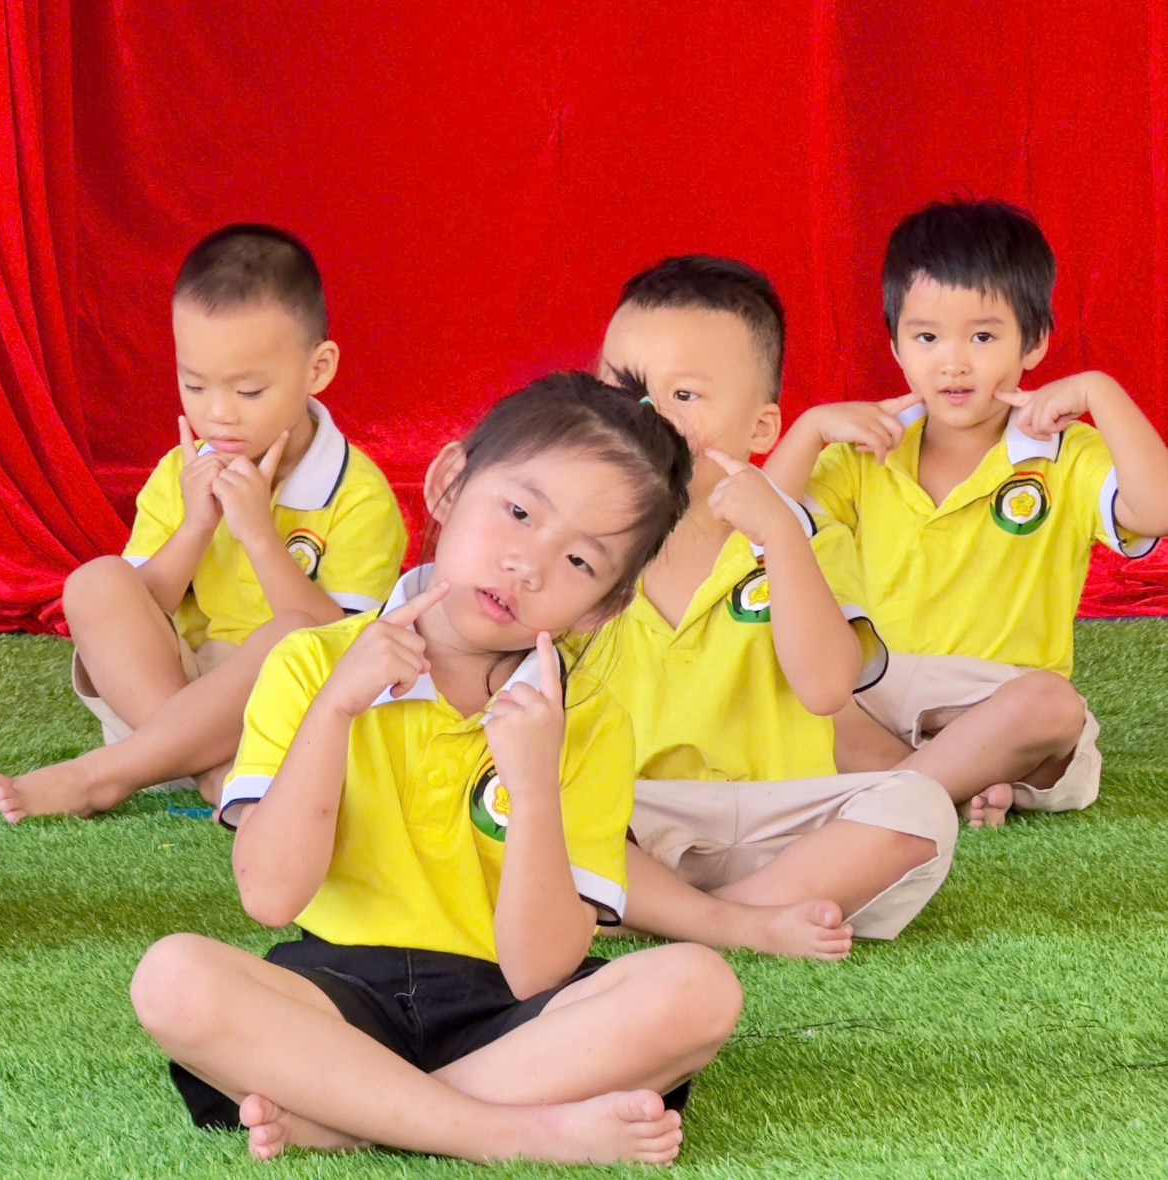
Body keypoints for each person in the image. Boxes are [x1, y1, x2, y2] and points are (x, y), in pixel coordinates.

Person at [131, 374, 742, 1167]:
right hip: (334, 999)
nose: (527, 565)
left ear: (604, 607)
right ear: (449, 484)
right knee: (173, 977)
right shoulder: (311, 664)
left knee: (700, 989)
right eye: (518, 513)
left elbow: (539, 969)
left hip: (510, 1019)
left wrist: (534, 788)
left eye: (579, 561)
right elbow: (271, 898)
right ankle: (506, 1134)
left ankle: (355, 1116)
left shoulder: (585, 721)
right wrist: (335, 711)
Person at [595, 256, 957, 956]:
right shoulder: (577, 541)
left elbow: (825, 689)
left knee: (919, 808)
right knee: (522, 805)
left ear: (762, 429)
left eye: (686, 395)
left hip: (783, 821)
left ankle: (666, 916)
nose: (650, 417)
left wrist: (781, 538)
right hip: (633, 816)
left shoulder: (808, 535)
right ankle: (742, 921)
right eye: (627, 389)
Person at [765, 199, 1168, 827]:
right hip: (887, 693)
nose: (952, 362)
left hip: (1003, 699)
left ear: (1034, 342)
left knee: (1053, 707)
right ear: (896, 345)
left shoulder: (1063, 452)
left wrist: (1102, 391)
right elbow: (761, 527)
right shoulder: (865, 450)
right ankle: (952, 780)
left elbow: (1157, 509)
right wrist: (810, 429)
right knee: (789, 682)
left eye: (982, 337)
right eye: (927, 337)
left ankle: (907, 788)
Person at [0, 225, 406, 819]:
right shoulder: (180, 472)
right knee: (96, 581)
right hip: (175, 693)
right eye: (195, 385)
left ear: (318, 368)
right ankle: (208, 769)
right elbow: (141, 606)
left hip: (286, 704)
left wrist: (258, 535)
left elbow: (340, 643)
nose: (218, 413)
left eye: (250, 390)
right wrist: (195, 528)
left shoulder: (359, 496)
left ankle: (106, 775)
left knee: (292, 633)